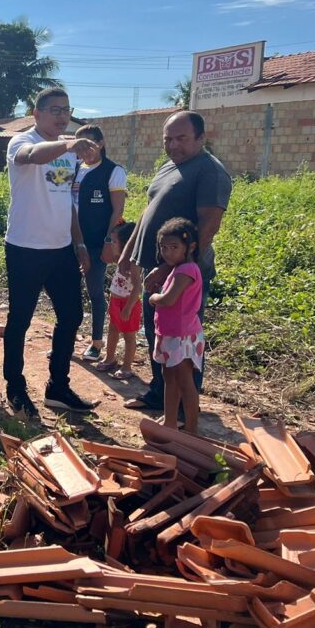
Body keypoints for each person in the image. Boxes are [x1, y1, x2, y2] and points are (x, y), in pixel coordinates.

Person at [117, 111, 232, 411]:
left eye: (181, 138)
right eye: (168, 139)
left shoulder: (209, 171)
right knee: (159, 334)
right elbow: (148, 211)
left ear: (201, 138)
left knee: (182, 341)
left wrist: (169, 268)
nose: (173, 145)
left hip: (184, 276)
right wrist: (129, 252)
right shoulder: (169, 166)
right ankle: (160, 394)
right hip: (158, 269)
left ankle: (183, 409)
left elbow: (209, 225)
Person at [1, 88, 101, 418]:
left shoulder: (69, 152)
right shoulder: (21, 141)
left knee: (71, 316)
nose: (62, 117)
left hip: (60, 250)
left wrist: (79, 243)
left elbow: (66, 200)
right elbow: (31, 156)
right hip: (25, 248)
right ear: (37, 113)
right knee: (20, 319)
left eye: (66, 110)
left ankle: (58, 387)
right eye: (55, 110)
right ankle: (15, 387)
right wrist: (69, 144)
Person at [71, 124, 126, 362]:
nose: (84, 151)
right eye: (79, 146)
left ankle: (96, 343)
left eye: (89, 144)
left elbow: (117, 211)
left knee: (94, 291)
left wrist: (107, 241)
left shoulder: (113, 171)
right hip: (70, 241)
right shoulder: (74, 169)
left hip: (95, 242)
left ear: (101, 143)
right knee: (68, 291)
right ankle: (66, 338)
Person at [150, 218, 205, 433]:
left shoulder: (187, 270)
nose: (167, 253)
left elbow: (169, 299)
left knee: (184, 381)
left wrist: (154, 297)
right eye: (163, 247)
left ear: (190, 247)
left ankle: (191, 430)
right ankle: (170, 422)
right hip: (170, 333)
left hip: (182, 336)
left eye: (174, 247)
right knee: (169, 378)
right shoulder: (178, 269)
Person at [95, 221, 143, 379]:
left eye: (115, 241)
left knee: (129, 336)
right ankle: (109, 358)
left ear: (126, 242)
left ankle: (127, 367)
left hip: (128, 304)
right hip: (116, 302)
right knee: (113, 330)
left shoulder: (134, 264)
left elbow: (137, 287)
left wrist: (128, 308)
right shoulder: (121, 259)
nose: (112, 244)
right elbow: (109, 257)